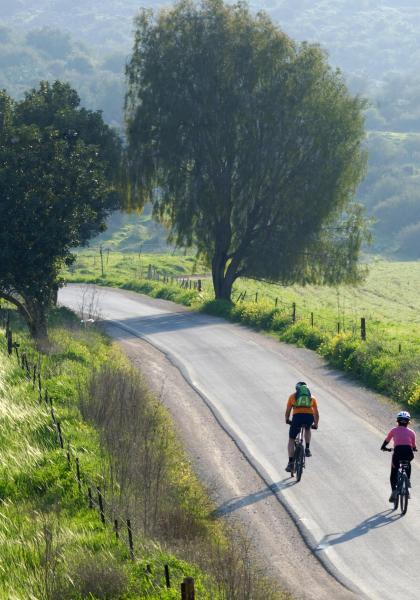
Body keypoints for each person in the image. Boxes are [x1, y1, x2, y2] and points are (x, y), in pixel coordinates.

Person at [381, 410, 417, 502]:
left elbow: (387, 440)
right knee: (408, 463)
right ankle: (407, 483)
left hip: (397, 453)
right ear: (408, 422)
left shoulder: (393, 430)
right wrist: (414, 449)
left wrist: (384, 447)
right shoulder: (412, 432)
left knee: (393, 473)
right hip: (408, 453)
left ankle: (394, 491)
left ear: (398, 421)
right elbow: (413, 446)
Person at [285, 381, 319, 472]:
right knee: (307, 428)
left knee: (292, 439)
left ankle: (291, 463)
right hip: (309, 417)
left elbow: (288, 411)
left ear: (297, 389)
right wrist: (315, 424)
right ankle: (307, 448)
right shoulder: (312, 398)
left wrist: (287, 420)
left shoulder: (292, 397)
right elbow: (316, 413)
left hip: (297, 418)